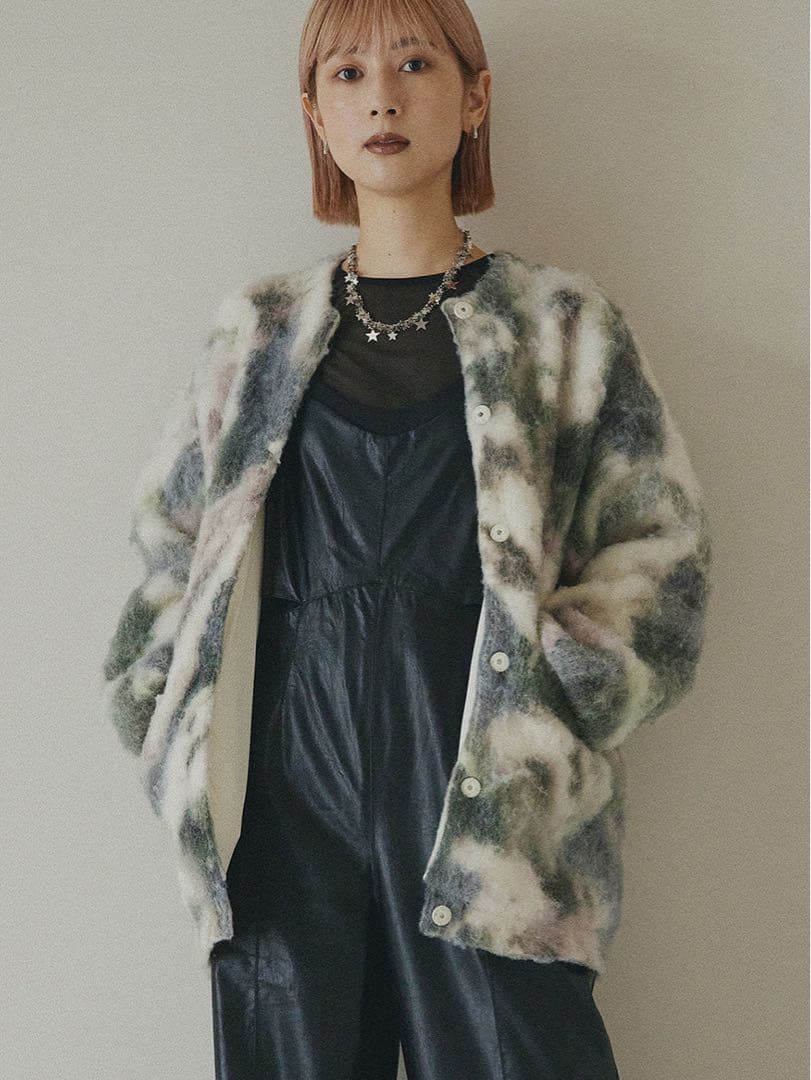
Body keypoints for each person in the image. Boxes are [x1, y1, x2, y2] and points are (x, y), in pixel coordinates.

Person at [102, 0, 712, 1076]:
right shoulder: (256, 336)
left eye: (415, 63)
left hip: (487, 805)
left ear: (474, 98)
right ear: (315, 114)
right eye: (346, 73)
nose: (381, 96)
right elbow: (170, 551)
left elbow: (658, 553)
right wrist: (170, 720)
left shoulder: (561, 327)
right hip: (284, 799)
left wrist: (557, 693)